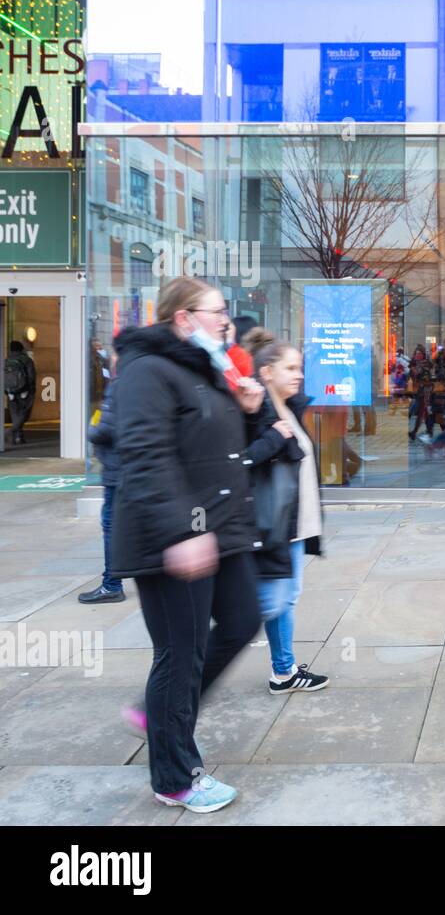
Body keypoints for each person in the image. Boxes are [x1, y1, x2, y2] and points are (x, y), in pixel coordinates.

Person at [110, 277, 266, 813]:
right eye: (216, 311)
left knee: (244, 618)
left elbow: (213, 449)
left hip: (219, 530)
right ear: (182, 319)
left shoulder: (207, 368)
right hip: (170, 537)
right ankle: (176, 776)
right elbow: (145, 456)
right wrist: (181, 533)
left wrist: (248, 409)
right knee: (181, 654)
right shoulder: (147, 372)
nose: (226, 319)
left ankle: (161, 718)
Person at [242, 329, 330, 694]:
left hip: (293, 524)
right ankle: (277, 668)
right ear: (266, 372)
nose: (299, 375)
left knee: (283, 599)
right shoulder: (256, 414)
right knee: (273, 601)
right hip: (274, 525)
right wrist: (273, 439)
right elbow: (239, 462)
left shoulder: (287, 407)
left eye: (300, 368)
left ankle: (284, 670)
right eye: (290, 368)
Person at [80, 353, 125, 604]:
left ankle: (111, 584)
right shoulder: (143, 383)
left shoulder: (119, 385)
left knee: (111, 527)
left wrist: (92, 428)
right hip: (131, 469)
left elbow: (105, 429)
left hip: (116, 470)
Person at [4, 340, 37, 446]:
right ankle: (10, 431)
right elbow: (31, 376)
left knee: (15, 414)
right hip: (25, 390)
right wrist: (31, 388)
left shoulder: (6, 360)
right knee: (25, 414)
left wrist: (6, 390)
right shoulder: (26, 360)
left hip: (11, 392)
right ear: (21, 348)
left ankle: (18, 437)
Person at [407, 344, 434, 441]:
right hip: (418, 391)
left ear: (423, 355)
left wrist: (414, 368)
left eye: (419, 354)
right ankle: (427, 431)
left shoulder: (425, 364)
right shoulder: (414, 363)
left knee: (422, 411)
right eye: (416, 354)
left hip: (425, 391)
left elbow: (420, 374)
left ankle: (416, 431)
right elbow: (411, 376)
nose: (417, 355)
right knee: (423, 412)